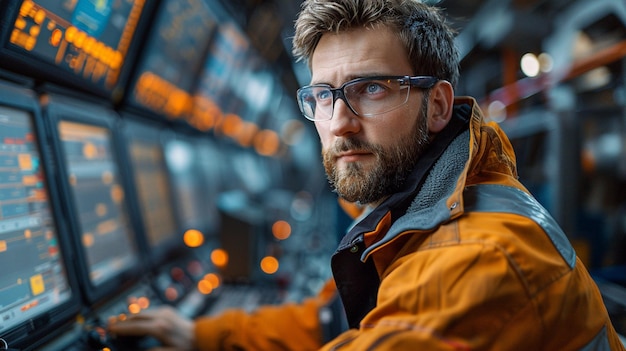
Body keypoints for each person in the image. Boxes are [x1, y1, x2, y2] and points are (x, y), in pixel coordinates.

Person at [108, 0, 626, 350]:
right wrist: (198, 333)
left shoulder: (475, 258)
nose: (339, 124)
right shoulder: (414, 213)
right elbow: (326, 321)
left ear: (439, 105)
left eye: (371, 89)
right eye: (323, 96)